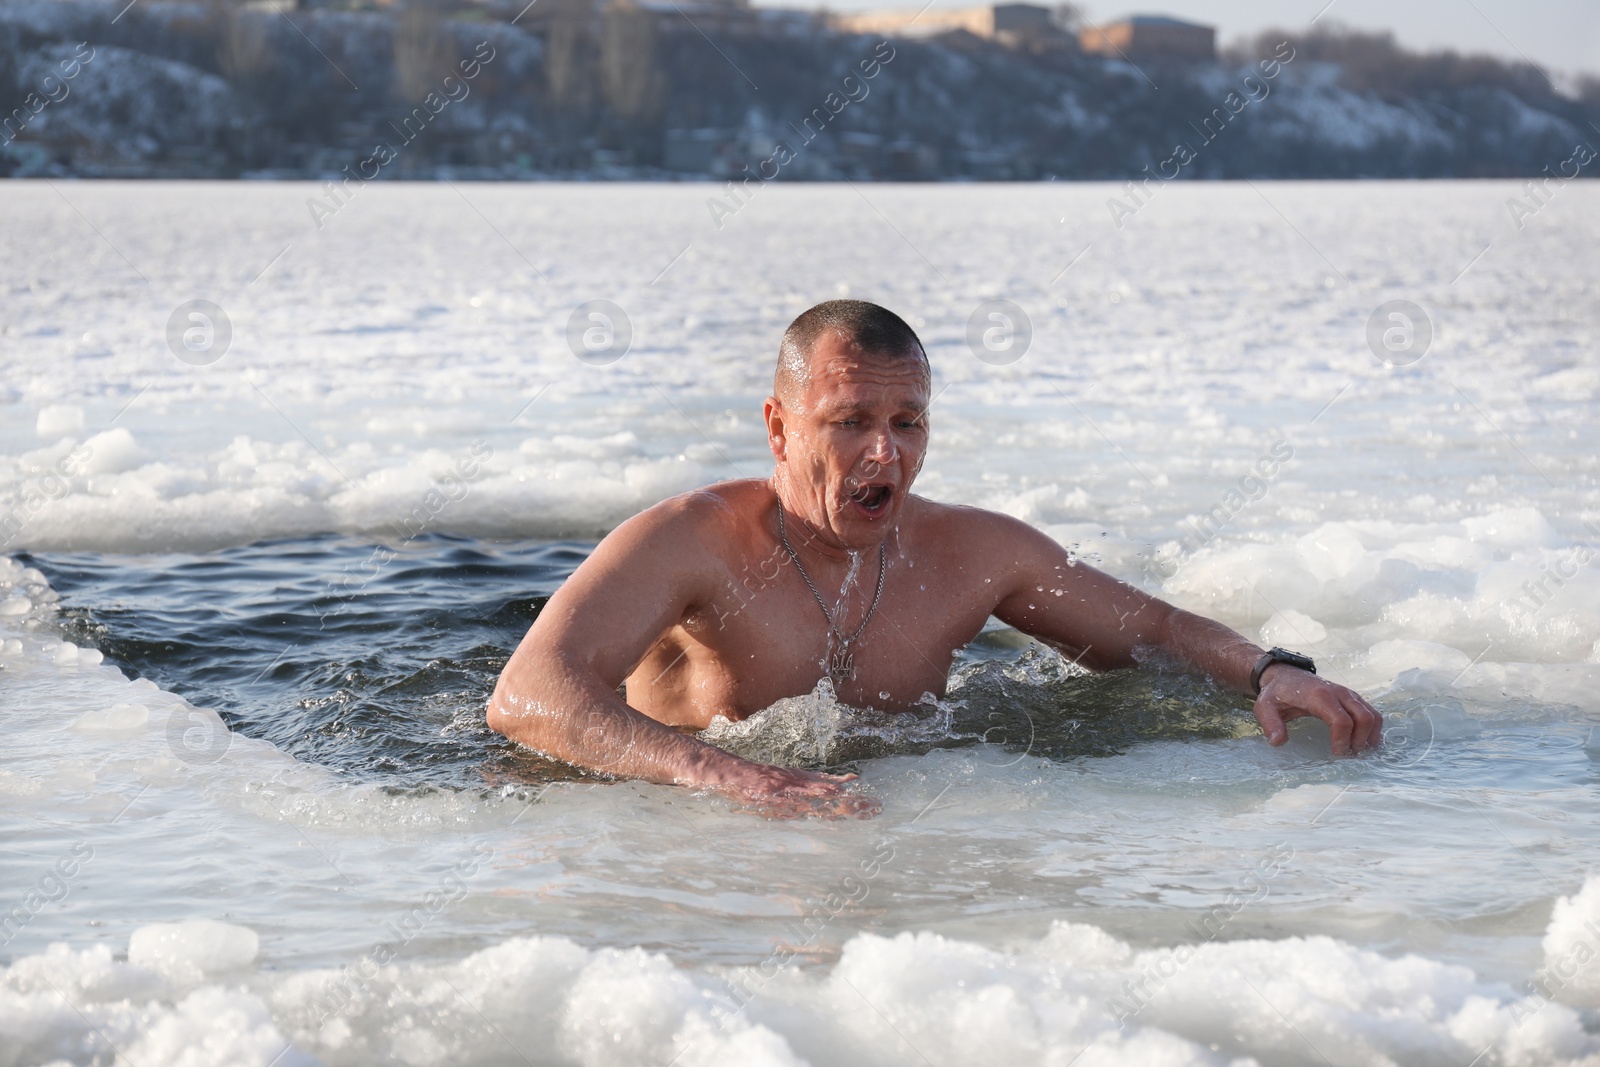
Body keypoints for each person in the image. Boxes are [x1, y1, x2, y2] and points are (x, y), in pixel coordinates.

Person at [487, 300, 1381, 816]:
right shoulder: (688, 540)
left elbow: (1150, 628)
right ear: (778, 426)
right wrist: (730, 776)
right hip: (684, 823)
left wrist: (1267, 669)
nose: (887, 454)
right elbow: (530, 694)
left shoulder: (970, 551)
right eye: (850, 423)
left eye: (907, 423)